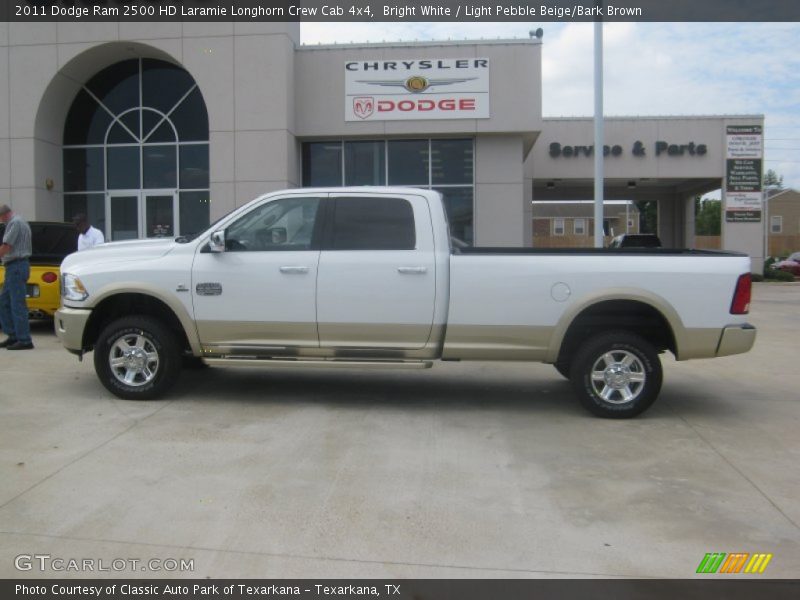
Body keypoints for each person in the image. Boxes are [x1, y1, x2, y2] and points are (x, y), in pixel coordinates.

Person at [0, 204, 34, 350]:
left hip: (16, 266)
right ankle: (13, 335)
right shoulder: (21, 222)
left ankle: (24, 339)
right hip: (16, 266)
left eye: (1, 218)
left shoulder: (14, 223)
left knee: (17, 304)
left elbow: (7, 247)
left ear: (5, 214)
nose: (1, 221)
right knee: (4, 301)